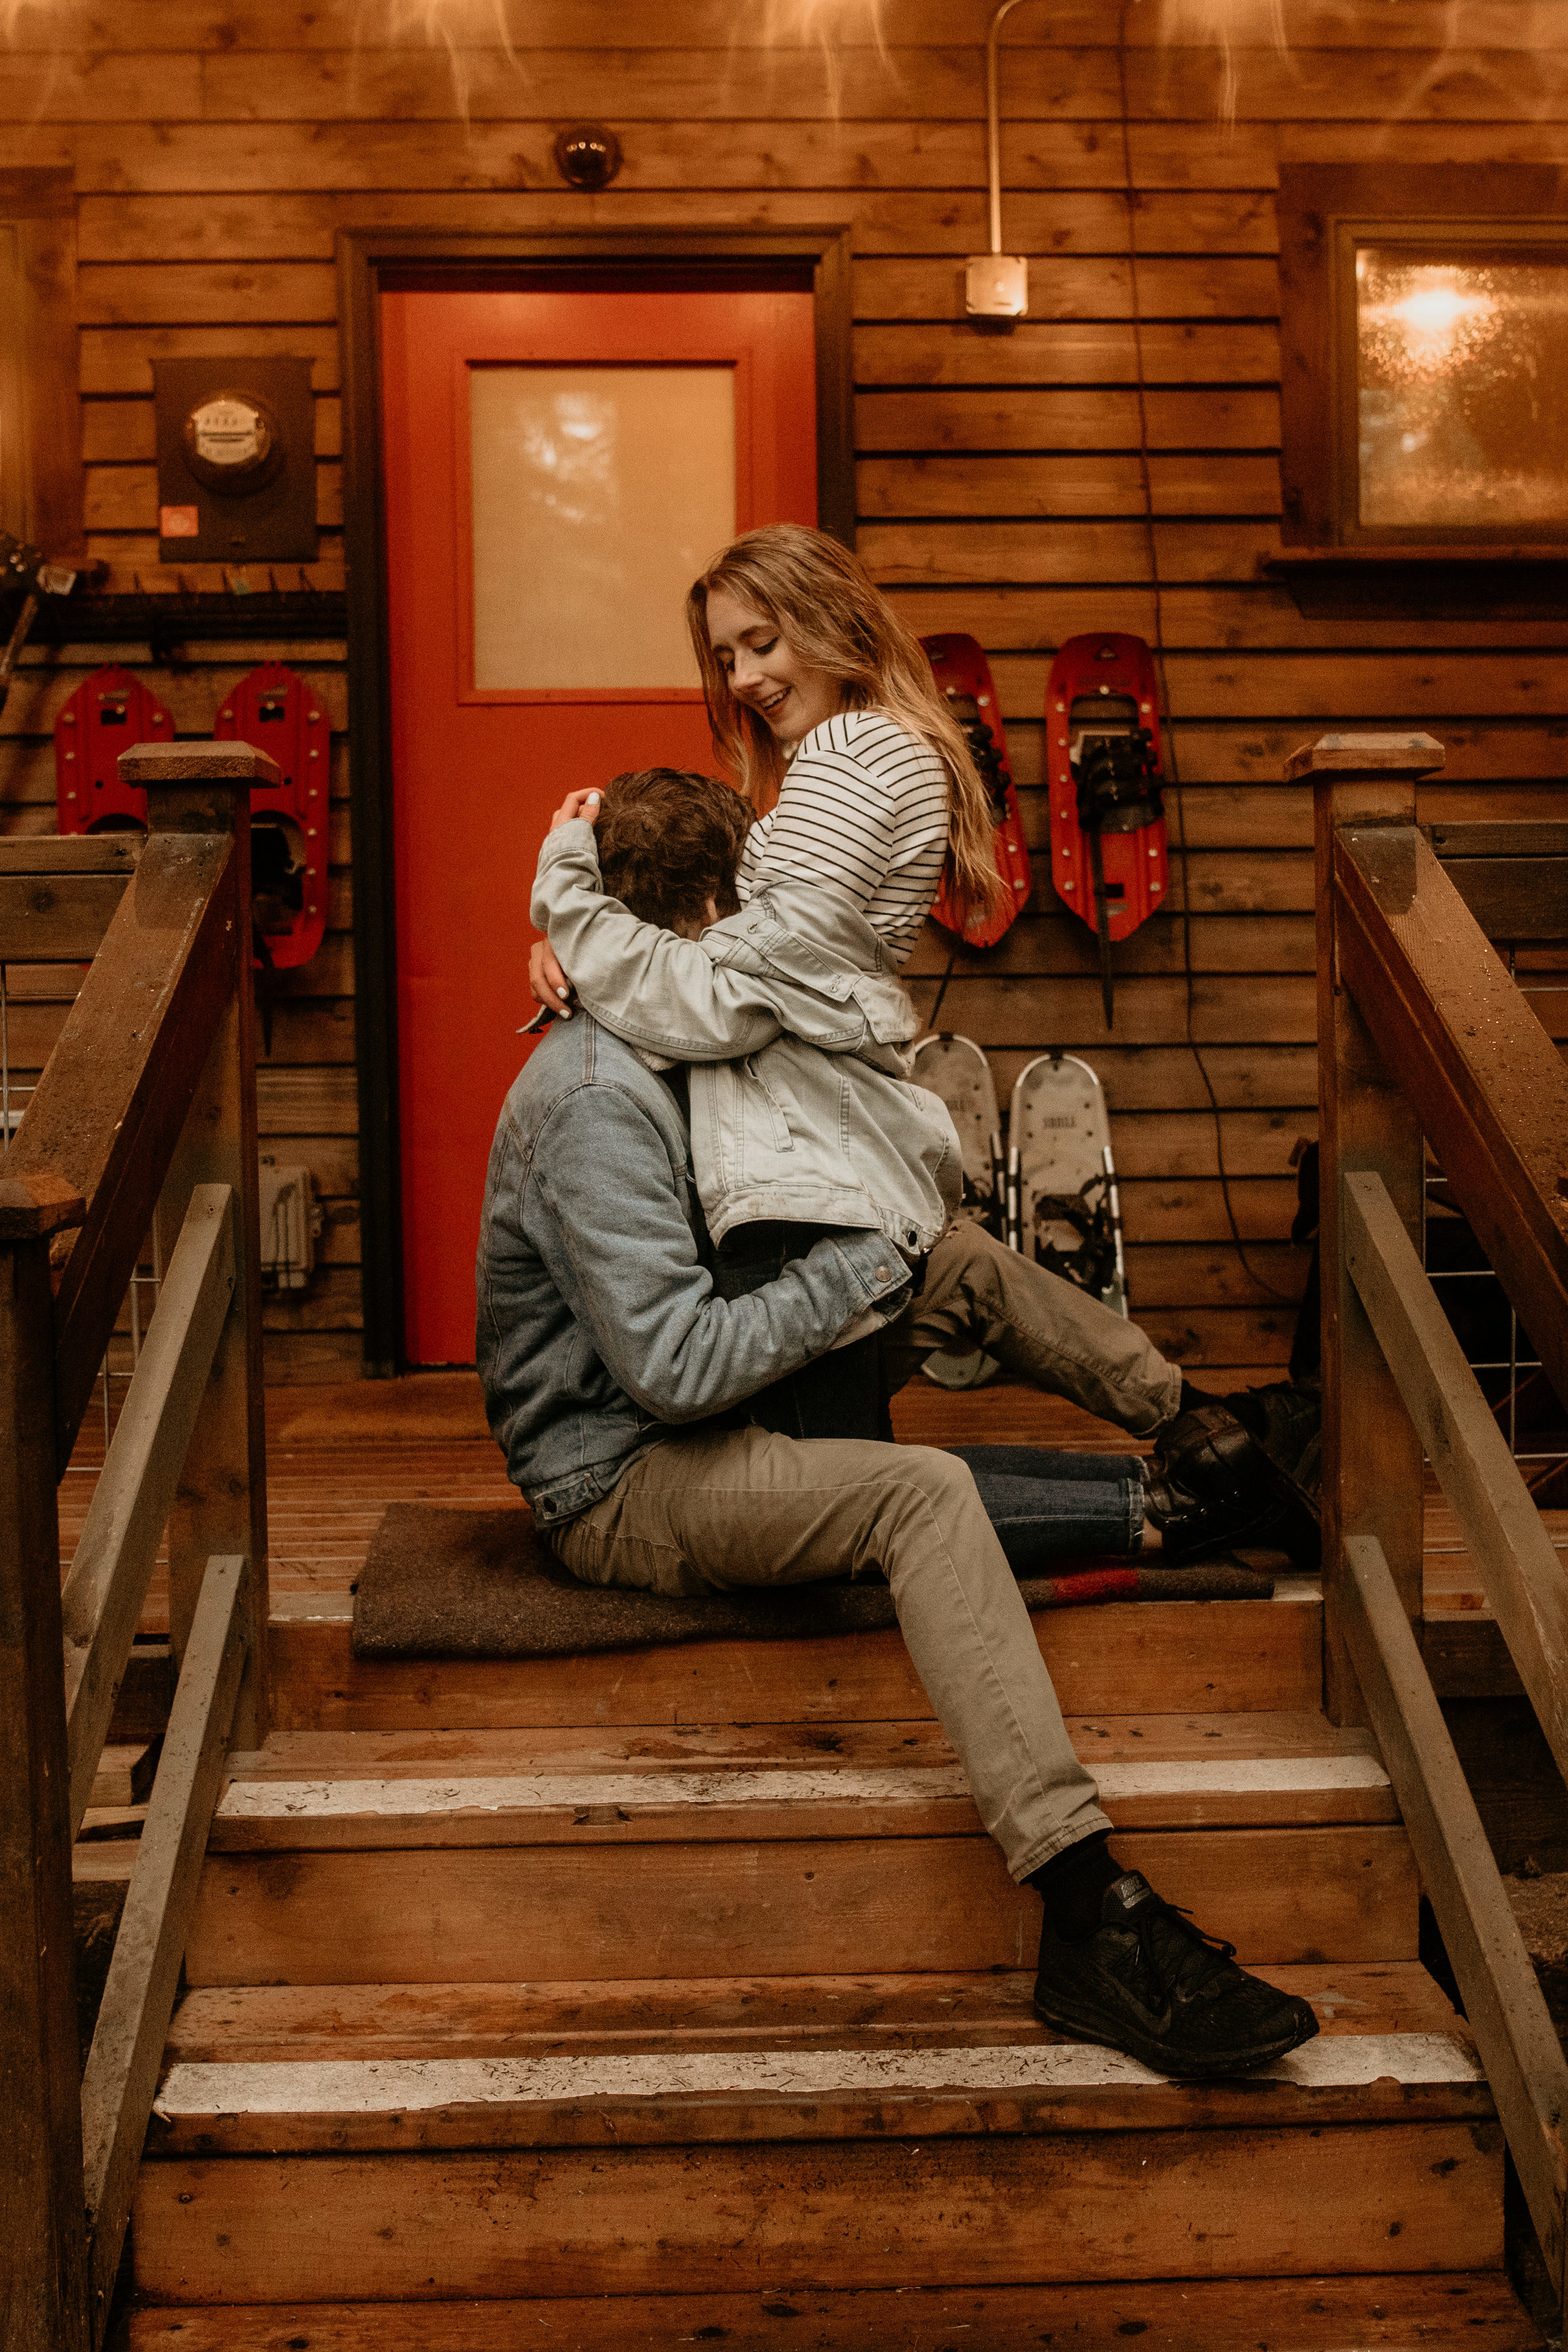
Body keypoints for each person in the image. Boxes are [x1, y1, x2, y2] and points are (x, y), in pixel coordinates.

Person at [480, 769, 1322, 2078]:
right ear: (709, 909)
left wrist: (890, 1242)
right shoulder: (597, 1098)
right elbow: (676, 1368)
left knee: (949, 1258)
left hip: (719, 1410)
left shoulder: (687, 1030)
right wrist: (854, 1269)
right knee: (914, 1488)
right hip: (629, 1476)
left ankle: (1205, 1429)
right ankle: (1083, 1908)